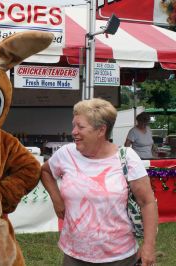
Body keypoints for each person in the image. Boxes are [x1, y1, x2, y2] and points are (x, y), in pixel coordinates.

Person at [40, 98, 158, 266]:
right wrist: (56, 199)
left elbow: (147, 203)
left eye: (80, 127)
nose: (73, 131)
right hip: (74, 256)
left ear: (101, 130)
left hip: (119, 257)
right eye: (74, 125)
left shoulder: (127, 158)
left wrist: (148, 246)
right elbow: (45, 171)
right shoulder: (66, 154)